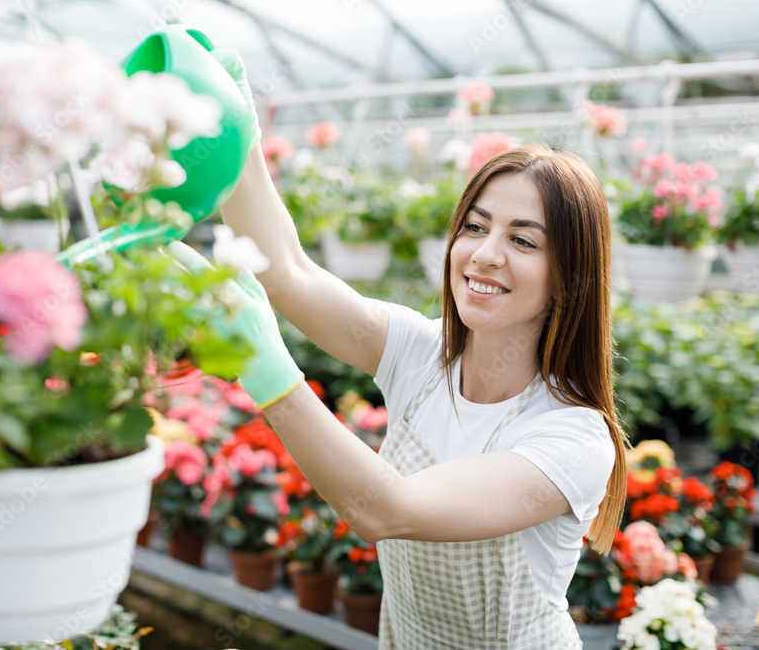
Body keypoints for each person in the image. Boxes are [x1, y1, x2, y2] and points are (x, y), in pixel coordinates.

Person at [167, 50, 628, 649]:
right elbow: (286, 273)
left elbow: (384, 508)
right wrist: (237, 129)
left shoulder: (570, 437)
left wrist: (268, 372)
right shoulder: (421, 354)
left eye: (522, 240)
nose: (485, 254)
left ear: (569, 276)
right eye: (475, 226)